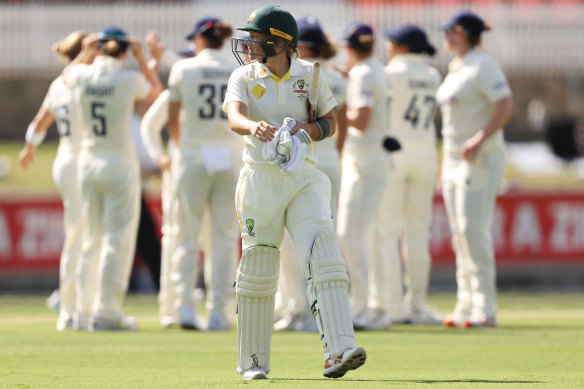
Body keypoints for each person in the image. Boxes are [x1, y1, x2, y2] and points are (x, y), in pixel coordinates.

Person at [224, 5, 366, 380]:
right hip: (259, 178)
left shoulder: (311, 75)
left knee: (324, 253)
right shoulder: (242, 75)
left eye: (256, 39)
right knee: (258, 265)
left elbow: (330, 123)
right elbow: (234, 116)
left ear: (280, 43)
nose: (249, 45)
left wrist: (306, 129)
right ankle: (253, 361)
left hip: (304, 175)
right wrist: (252, 126)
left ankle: (340, 349)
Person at [64, 27, 162, 331]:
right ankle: (106, 311)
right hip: (118, 164)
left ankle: (81, 311)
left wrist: (84, 52)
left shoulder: (82, 75)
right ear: (123, 51)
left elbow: (66, 76)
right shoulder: (126, 78)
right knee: (116, 239)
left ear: (100, 48)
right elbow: (155, 91)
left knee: (90, 238)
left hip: (88, 162)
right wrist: (142, 58)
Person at [436, 11, 513, 328]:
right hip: (453, 158)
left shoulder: (483, 64)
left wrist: (480, 139)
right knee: (459, 234)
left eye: (450, 31)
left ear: (465, 33)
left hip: (479, 159)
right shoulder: (458, 67)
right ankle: (465, 304)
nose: (446, 36)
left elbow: (505, 103)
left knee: (473, 229)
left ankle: (486, 307)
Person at [274, 15, 348, 333]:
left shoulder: (297, 75)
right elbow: (336, 127)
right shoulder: (338, 77)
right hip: (329, 161)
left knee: (294, 240)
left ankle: (300, 309)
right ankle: (325, 307)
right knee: (323, 237)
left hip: (303, 163)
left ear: (300, 45)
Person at [166, 17, 241, 330]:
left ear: (199, 39)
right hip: (228, 155)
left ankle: (184, 306)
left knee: (187, 235)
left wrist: (187, 148)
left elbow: (172, 121)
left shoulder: (184, 68)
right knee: (224, 237)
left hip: (194, 154)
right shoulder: (236, 70)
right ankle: (218, 310)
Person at [369, 24, 443, 325]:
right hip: (425, 154)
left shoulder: (389, 74)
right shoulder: (432, 75)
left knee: (385, 231)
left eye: (390, 42)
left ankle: (391, 305)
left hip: (394, 155)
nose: (387, 46)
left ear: (401, 46)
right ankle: (418, 304)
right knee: (418, 232)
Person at [18, 31, 89, 331]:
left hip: (65, 160)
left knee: (76, 235)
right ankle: (74, 306)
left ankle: (71, 305)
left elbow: (38, 124)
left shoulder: (59, 82)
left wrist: (29, 148)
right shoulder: (82, 77)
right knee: (84, 237)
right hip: (82, 163)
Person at [336, 22, 391, 330]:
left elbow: (361, 119)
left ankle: (364, 306)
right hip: (370, 159)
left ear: (349, 47)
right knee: (363, 235)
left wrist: (338, 105)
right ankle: (372, 305)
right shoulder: (373, 70)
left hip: (366, 160)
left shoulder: (365, 74)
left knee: (350, 234)